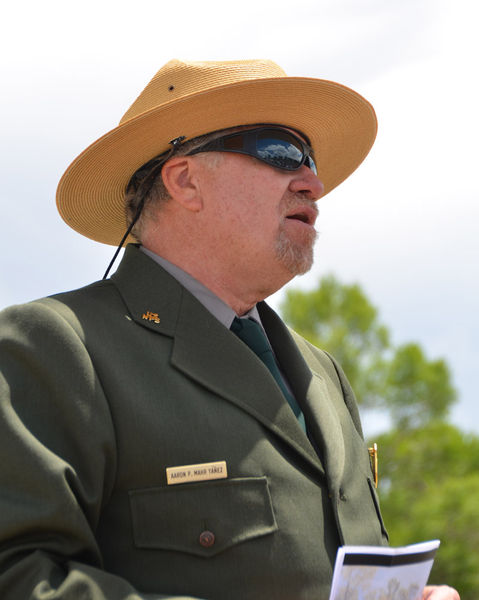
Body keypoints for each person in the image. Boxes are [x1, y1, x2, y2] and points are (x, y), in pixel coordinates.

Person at [0, 59, 459, 600]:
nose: (314, 182)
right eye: (282, 153)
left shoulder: (324, 374)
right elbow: (18, 577)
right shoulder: (54, 346)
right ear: (186, 180)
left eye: (309, 160)